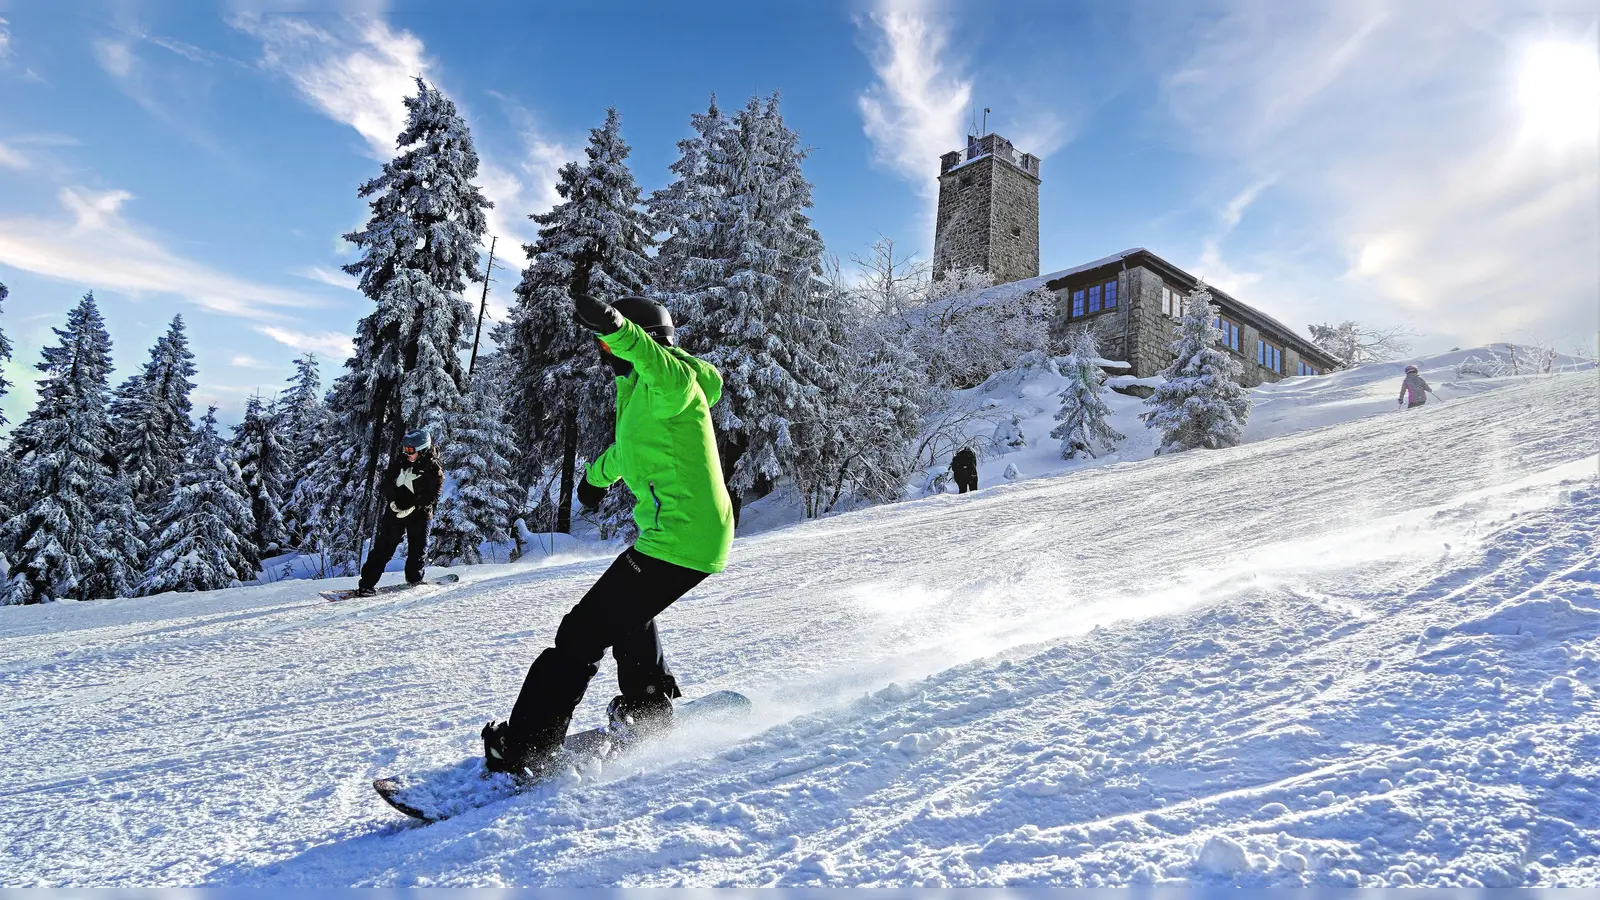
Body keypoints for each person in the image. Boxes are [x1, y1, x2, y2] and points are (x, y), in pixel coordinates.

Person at [480, 264, 735, 779]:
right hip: (682, 535)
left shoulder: (671, 379)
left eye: (609, 349)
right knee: (628, 617)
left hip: (682, 537)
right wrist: (596, 479)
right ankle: (647, 713)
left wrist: (614, 325)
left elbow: (659, 363)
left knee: (580, 633)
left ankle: (527, 749)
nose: (606, 358)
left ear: (638, 343)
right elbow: (631, 448)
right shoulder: (641, 391)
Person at [354, 428, 443, 597]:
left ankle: (415, 579)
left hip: (420, 513)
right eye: (404, 449)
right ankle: (366, 585)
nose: (406, 453)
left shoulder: (433, 468)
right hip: (396, 510)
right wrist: (393, 501)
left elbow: (433, 494)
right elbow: (388, 482)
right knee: (383, 547)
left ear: (422, 449)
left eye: (410, 450)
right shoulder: (400, 461)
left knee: (418, 549)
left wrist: (415, 506)